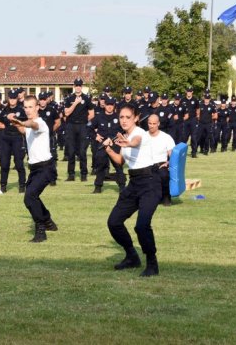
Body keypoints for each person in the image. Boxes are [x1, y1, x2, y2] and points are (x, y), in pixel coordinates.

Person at [103, 104, 162, 276]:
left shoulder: (139, 134)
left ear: (136, 118)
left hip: (150, 182)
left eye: (128, 117)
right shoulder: (124, 137)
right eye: (121, 117)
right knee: (114, 222)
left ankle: (152, 263)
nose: (124, 120)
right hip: (134, 182)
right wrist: (107, 148)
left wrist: (128, 143)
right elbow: (120, 161)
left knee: (142, 225)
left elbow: (135, 143)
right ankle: (132, 256)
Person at [9, 96, 58, 243]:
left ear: (37, 107)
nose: (27, 110)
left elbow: (32, 125)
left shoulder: (40, 123)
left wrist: (22, 122)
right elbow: (25, 131)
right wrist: (15, 123)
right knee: (31, 197)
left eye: (30, 107)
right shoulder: (29, 125)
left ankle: (41, 230)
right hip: (35, 168)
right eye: (25, 107)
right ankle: (48, 221)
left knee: (29, 197)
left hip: (46, 167)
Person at [63, 78, 94, 181]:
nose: (78, 87)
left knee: (82, 151)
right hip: (71, 126)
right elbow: (66, 113)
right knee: (71, 151)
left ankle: (83, 174)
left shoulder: (86, 98)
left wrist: (84, 120)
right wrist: (75, 103)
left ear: (82, 86)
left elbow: (92, 113)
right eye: (76, 85)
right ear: (74, 86)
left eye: (79, 85)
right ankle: (71, 175)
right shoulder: (69, 98)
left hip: (82, 126)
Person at [147, 114, 175, 206]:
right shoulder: (143, 137)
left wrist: (168, 162)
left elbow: (173, 156)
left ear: (158, 124)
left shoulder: (166, 137)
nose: (151, 125)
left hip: (161, 165)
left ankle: (166, 197)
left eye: (154, 123)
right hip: (147, 164)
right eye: (150, 123)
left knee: (164, 175)